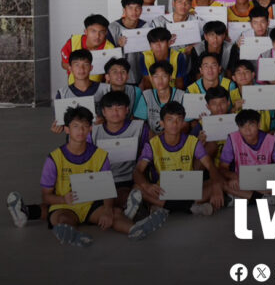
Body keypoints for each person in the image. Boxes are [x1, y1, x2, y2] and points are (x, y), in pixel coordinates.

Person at [27, 106, 164, 246]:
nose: (81, 131)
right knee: (63, 219)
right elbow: (46, 197)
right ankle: (73, 235)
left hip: (91, 204)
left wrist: (107, 210)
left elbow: (107, 188)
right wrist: (63, 199)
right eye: (75, 126)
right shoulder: (54, 158)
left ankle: (135, 229)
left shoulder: (100, 155)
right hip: (65, 205)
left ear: (90, 129)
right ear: (67, 129)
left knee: (115, 214)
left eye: (85, 126)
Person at [132, 101, 226, 217]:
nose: (174, 124)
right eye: (170, 120)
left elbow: (210, 166)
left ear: (183, 123)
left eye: (179, 120)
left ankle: (165, 207)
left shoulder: (192, 141)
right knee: (137, 188)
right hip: (163, 190)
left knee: (219, 181)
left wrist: (216, 185)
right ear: (162, 123)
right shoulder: (152, 144)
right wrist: (147, 186)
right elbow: (137, 171)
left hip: (189, 188)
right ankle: (190, 207)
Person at [217, 109, 275, 202]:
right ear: (238, 127)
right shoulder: (232, 139)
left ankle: (248, 196)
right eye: (242, 126)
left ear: (259, 125)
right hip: (241, 180)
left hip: (264, 181)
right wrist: (234, 176)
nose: (247, 130)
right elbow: (222, 168)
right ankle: (266, 196)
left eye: (251, 125)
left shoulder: (271, 140)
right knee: (221, 183)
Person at [91, 90, 148, 209]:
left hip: (129, 178)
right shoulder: (93, 132)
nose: (115, 112)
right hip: (102, 180)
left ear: (127, 110)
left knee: (137, 190)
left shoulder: (140, 127)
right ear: (103, 112)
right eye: (110, 108)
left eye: (119, 107)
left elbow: (147, 154)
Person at [60, 14, 115, 84]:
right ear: (86, 32)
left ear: (106, 33)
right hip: (74, 85)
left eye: (101, 32)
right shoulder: (73, 41)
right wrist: (81, 70)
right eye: (93, 31)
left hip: (98, 87)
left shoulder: (110, 48)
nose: (97, 36)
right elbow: (64, 63)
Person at [54, 48, 109, 117]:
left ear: (91, 68)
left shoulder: (106, 89)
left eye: (86, 64)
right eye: (77, 65)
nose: (81, 69)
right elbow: (60, 119)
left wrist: (104, 120)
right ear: (70, 68)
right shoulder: (62, 94)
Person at [135, 61, 186, 133]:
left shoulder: (182, 96)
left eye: (164, 76)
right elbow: (140, 122)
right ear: (151, 78)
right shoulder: (146, 95)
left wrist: (167, 136)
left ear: (170, 77)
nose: (160, 80)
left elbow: (186, 125)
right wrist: (153, 137)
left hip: (175, 136)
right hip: (152, 137)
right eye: (156, 76)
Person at [107, 0, 147, 81]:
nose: (134, 11)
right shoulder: (113, 28)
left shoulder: (147, 26)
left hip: (143, 76)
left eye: (137, 8)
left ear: (141, 9)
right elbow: (107, 55)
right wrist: (119, 46)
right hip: (120, 77)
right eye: (130, 8)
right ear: (124, 9)